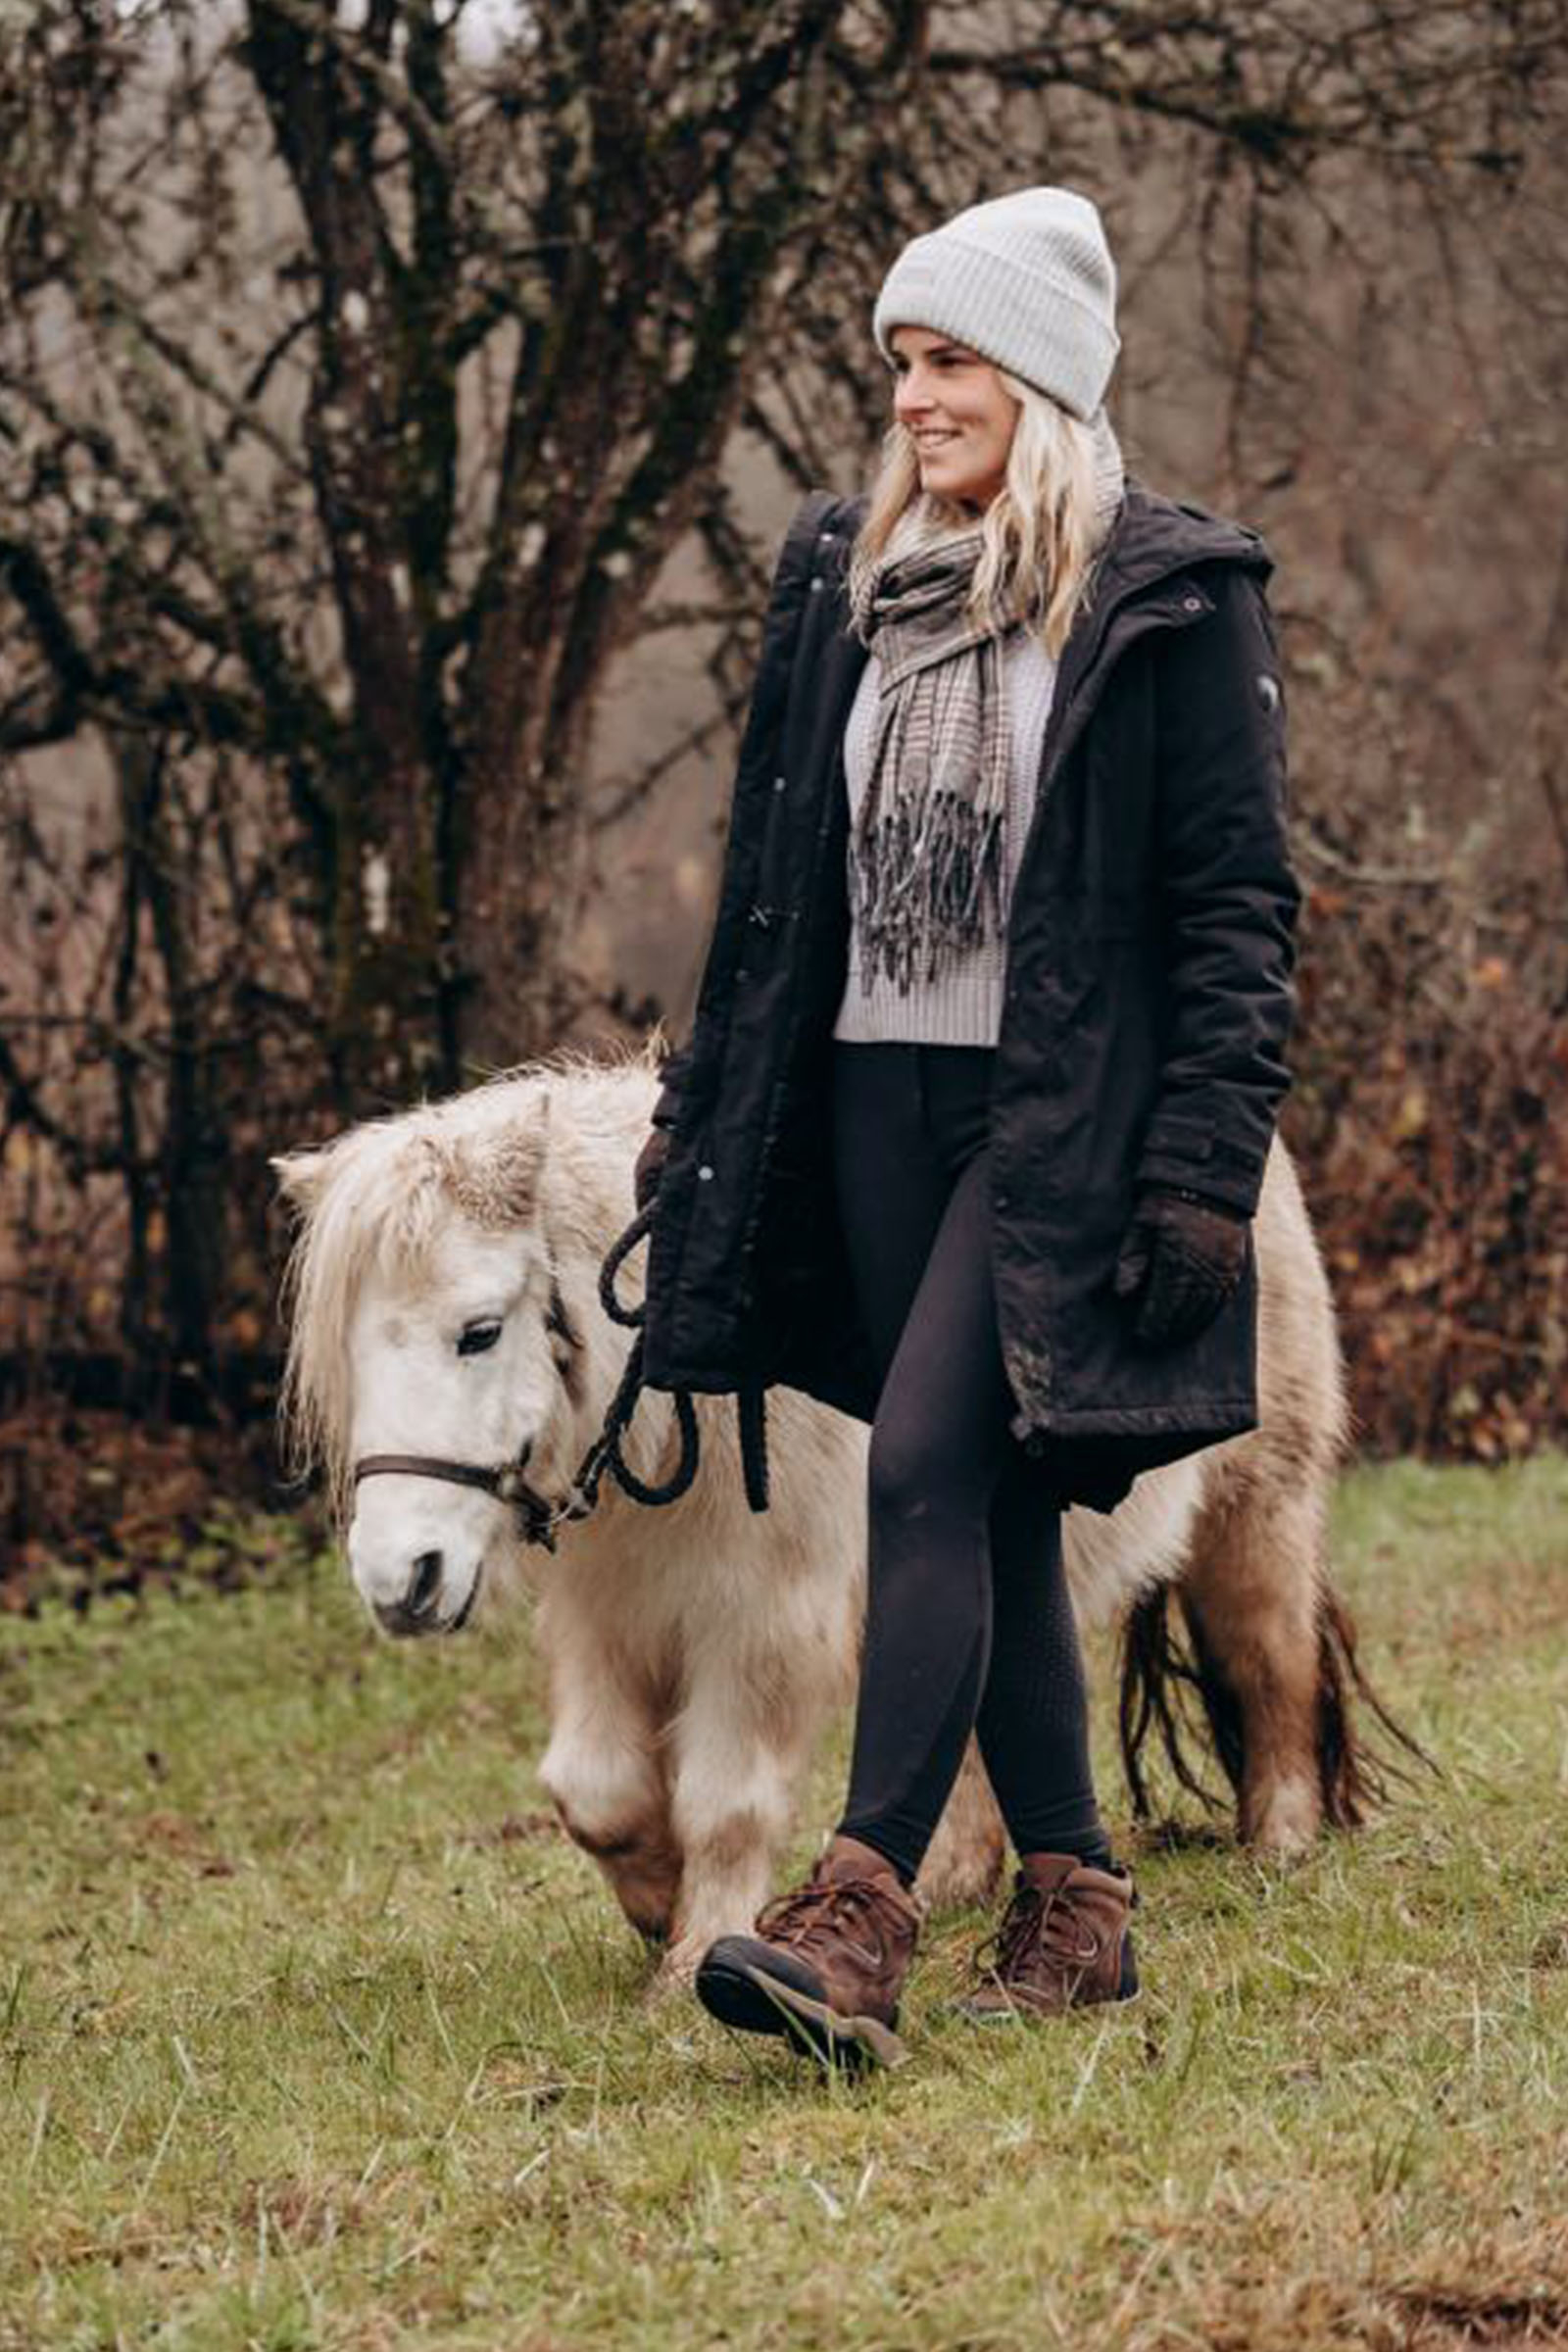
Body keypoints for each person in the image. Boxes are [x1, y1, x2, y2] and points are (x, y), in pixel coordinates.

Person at [634, 187, 1298, 2068]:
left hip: (1054, 1113)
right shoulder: (844, 576)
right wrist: (704, 1111)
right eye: (902, 363)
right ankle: (1079, 1902)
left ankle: (856, 1911)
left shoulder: (1168, 596)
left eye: (953, 362)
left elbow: (1239, 912)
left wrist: (1203, 1168)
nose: (916, 397)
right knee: (986, 1505)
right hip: (865, 1093)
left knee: (921, 1468)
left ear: (1046, 379)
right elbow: (777, 881)